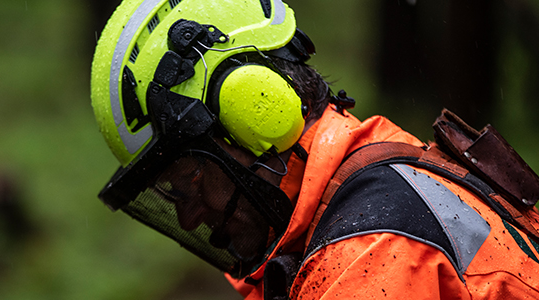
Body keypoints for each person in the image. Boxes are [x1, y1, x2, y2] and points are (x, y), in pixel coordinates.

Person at [90, 0, 539, 299]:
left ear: (255, 110)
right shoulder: (378, 185)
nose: (188, 218)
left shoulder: (373, 254)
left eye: (190, 181)